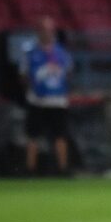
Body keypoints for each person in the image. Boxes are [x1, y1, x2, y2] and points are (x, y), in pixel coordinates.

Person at [20, 16, 74, 175]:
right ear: (39, 32)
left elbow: (68, 73)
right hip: (37, 100)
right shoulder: (30, 52)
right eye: (45, 30)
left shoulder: (61, 52)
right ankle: (30, 169)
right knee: (33, 135)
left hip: (57, 100)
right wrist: (35, 84)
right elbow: (23, 75)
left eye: (50, 30)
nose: (48, 33)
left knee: (60, 135)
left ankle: (63, 169)